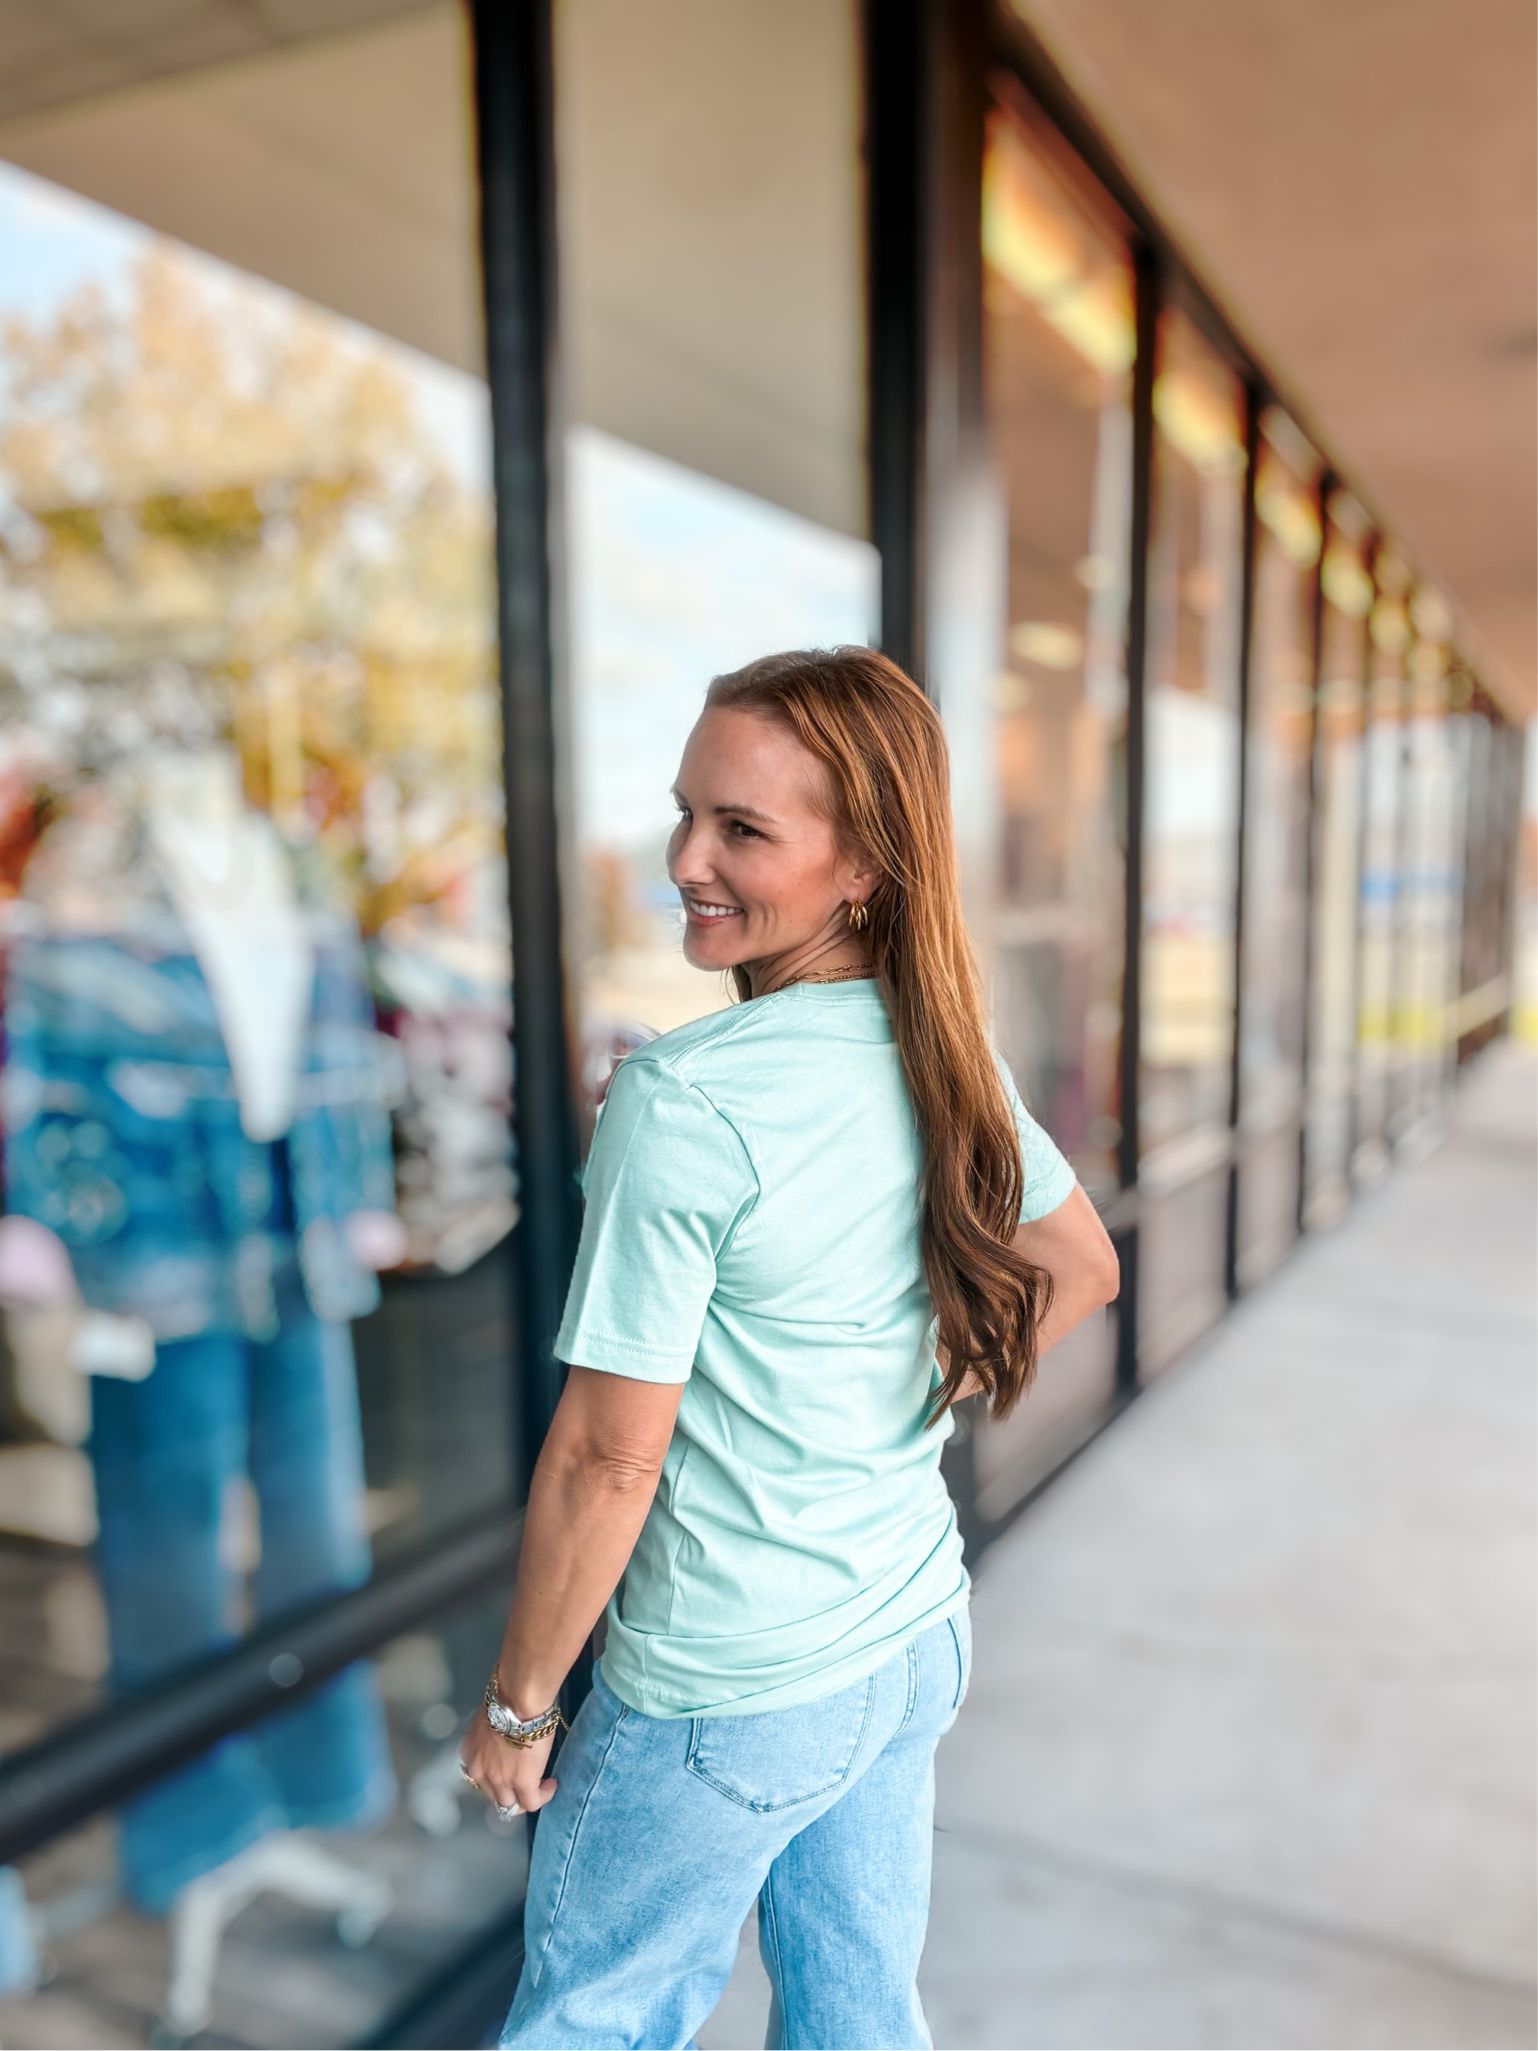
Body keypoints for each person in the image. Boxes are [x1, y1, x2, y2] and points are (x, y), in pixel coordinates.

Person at [460, 648, 1119, 2048]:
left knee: (592, 2020)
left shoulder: (685, 1096)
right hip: (904, 1638)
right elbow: (1078, 1268)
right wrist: (906, 1380)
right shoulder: (938, 1047)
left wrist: (519, 1709)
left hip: (724, 1683)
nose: (685, 856)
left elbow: (603, 1454)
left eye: (742, 829)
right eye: (685, 810)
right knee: (860, 2019)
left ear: (862, 866)